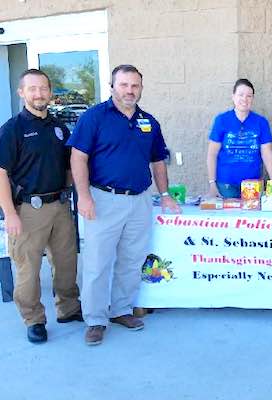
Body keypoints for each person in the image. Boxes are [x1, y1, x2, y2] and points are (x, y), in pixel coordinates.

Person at [68, 64, 181, 346]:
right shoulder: (94, 117)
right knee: (97, 263)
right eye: (124, 85)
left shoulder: (149, 122)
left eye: (135, 86)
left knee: (131, 260)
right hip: (103, 199)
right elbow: (78, 158)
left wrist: (165, 194)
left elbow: (158, 161)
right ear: (112, 86)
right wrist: (83, 196)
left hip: (140, 200)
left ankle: (120, 310)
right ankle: (95, 319)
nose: (130, 90)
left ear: (141, 88)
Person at [0, 69, 82, 343]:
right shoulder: (13, 129)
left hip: (60, 205)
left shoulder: (59, 127)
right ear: (21, 93)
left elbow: (70, 164)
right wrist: (9, 213)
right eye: (32, 89)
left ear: (50, 92)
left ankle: (68, 308)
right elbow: (1, 173)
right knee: (28, 269)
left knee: (66, 261)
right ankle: (33, 319)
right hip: (28, 210)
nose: (39, 94)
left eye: (43, 89)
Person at [206, 79, 272, 198]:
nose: (244, 99)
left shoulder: (261, 122)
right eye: (241, 95)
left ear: (253, 99)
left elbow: (267, 155)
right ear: (233, 97)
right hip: (226, 185)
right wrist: (212, 184)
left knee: (252, 215)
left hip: (253, 185)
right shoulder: (222, 120)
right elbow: (212, 154)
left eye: (249, 96)